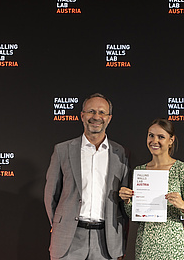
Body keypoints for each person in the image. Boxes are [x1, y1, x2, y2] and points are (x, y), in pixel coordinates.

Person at [44, 93, 129, 260]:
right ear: (82, 116)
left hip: (106, 242)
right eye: (91, 111)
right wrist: (60, 224)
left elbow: (124, 201)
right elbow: (50, 195)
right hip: (68, 239)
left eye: (102, 112)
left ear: (109, 118)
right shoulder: (62, 150)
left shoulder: (121, 153)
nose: (96, 117)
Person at [119, 118, 184, 260]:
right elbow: (134, 215)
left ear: (171, 140)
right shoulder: (140, 170)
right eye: (151, 135)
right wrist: (127, 201)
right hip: (145, 244)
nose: (154, 141)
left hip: (173, 245)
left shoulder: (182, 169)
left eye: (161, 137)